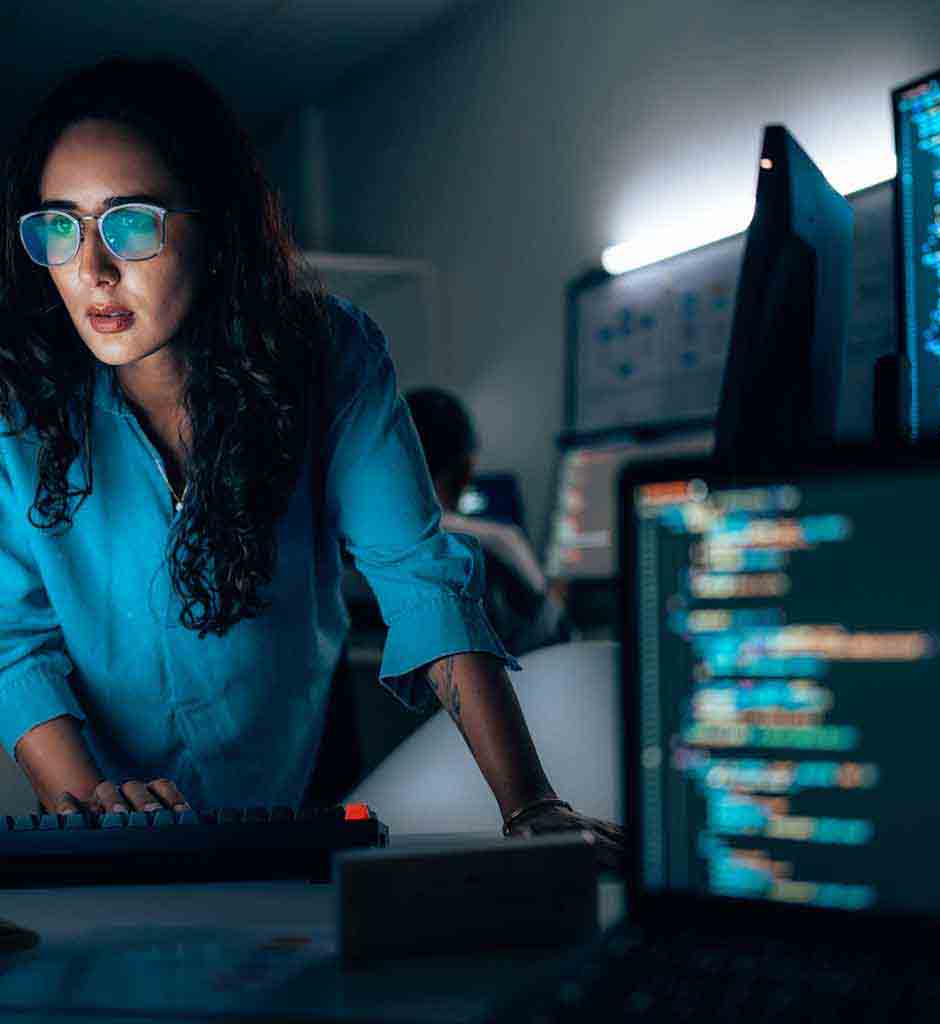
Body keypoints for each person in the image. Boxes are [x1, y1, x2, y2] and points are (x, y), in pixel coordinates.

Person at [0, 57, 625, 869]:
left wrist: (531, 804)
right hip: (104, 804)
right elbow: (15, 641)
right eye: (60, 226)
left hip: (287, 782)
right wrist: (98, 818)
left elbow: (418, 579)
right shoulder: (18, 402)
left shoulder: (329, 354)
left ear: (218, 227)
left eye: (130, 223)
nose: (93, 271)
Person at [404, 387, 573, 657]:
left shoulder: (347, 546)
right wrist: (553, 596)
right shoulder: (500, 544)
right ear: (467, 467)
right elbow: (558, 639)